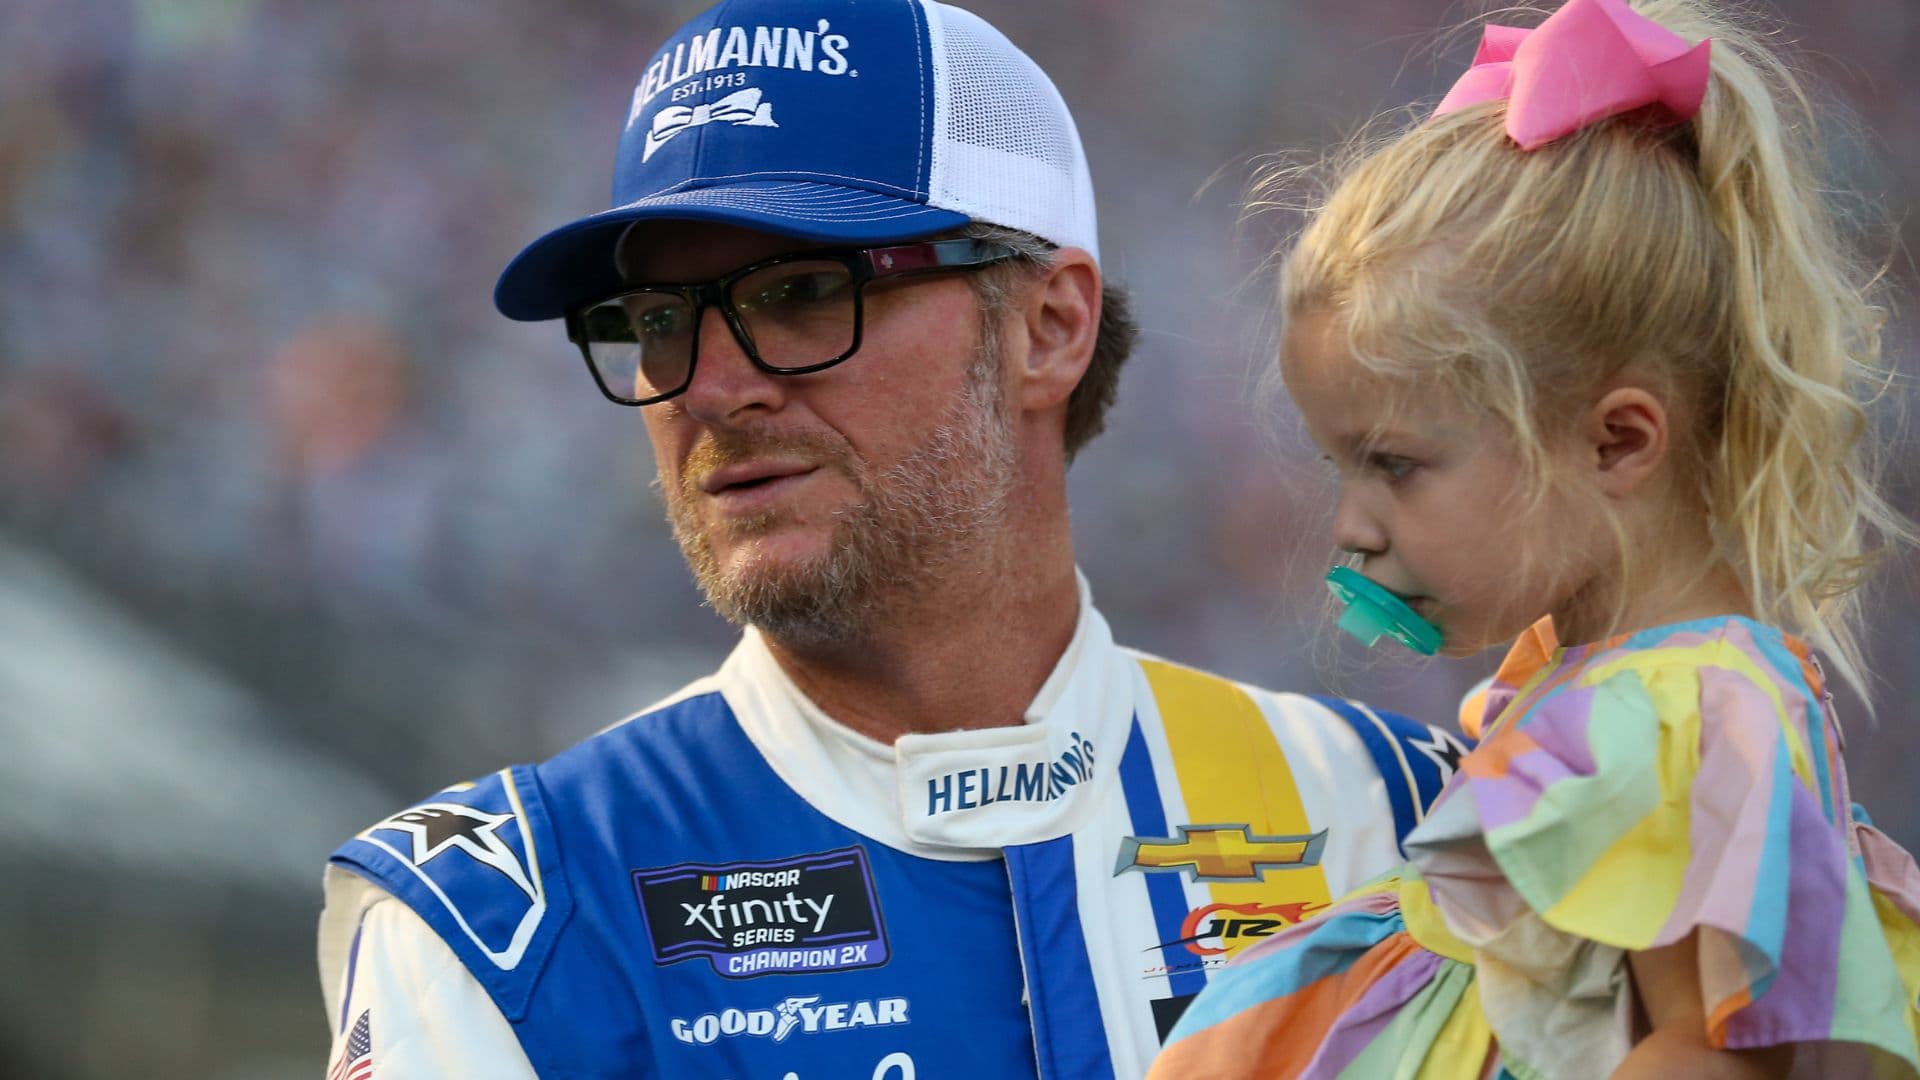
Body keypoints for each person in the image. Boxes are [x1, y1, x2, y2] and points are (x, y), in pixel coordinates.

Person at [313, 1, 1470, 1077]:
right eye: (658, 321)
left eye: (804, 291)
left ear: (1051, 328)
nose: (707, 386)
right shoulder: (501, 926)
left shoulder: (1405, 817)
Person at [1149, 0, 1920, 1077]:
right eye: (1342, 467)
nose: (1352, 531)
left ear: (1616, 443)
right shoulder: (1611, 695)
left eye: (1396, 465)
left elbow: (1716, 1055)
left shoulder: (1686, 710)